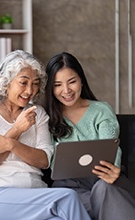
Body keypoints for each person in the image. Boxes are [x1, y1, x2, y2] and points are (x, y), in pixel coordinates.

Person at [0, 50, 90, 220]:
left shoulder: (37, 113)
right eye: (23, 83)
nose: (30, 91)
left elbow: (44, 160)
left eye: (35, 84)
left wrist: (10, 144)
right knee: (68, 198)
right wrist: (17, 129)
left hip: (37, 198)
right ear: (6, 82)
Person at [44, 51, 135, 220]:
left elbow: (111, 146)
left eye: (72, 82)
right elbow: (48, 159)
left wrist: (112, 170)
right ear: (50, 87)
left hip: (106, 178)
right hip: (70, 188)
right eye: (57, 85)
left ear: (81, 81)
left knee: (104, 189)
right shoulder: (46, 117)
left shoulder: (101, 110)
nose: (66, 90)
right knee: (73, 201)